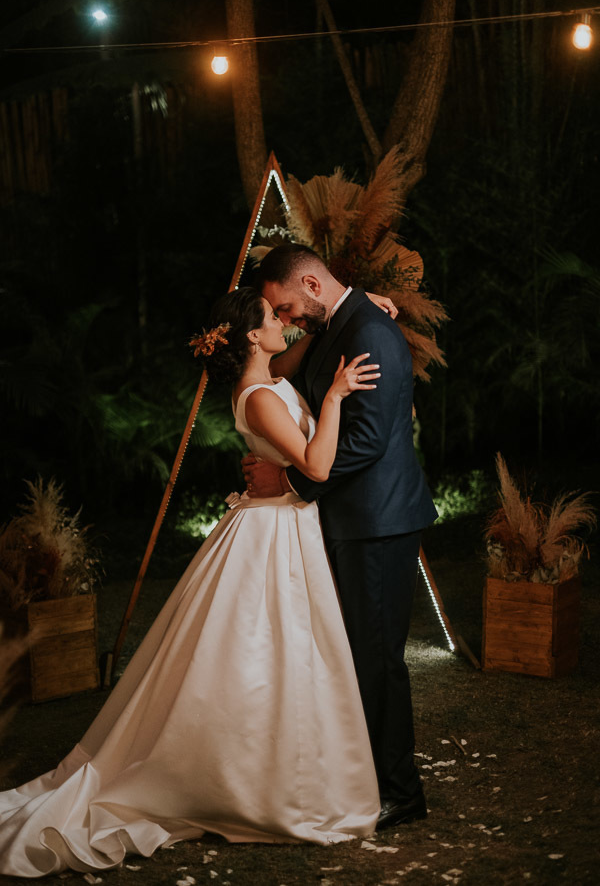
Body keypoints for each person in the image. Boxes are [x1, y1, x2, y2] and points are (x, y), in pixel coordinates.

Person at [0, 287, 385, 877]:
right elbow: (316, 465)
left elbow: (299, 353)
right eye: (272, 316)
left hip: (284, 524)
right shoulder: (257, 397)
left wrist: (354, 305)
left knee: (290, 659)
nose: (284, 320)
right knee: (260, 659)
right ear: (252, 335)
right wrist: (333, 398)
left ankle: (291, 769)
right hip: (271, 533)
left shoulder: (268, 373)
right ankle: (247, 782)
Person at [244, 243, 438, 830]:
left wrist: (289, 479)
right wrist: (359, 307)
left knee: (378, 662)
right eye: (276, 315)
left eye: (287, 307)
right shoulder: (342, 323)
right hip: (354, 520)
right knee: (358, 657)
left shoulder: (369, 333)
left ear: (310, 282)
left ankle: (402, 794)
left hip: (378, 523)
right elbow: (284, 366)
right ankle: (368, 777)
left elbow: (368, 441)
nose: (286, 320)